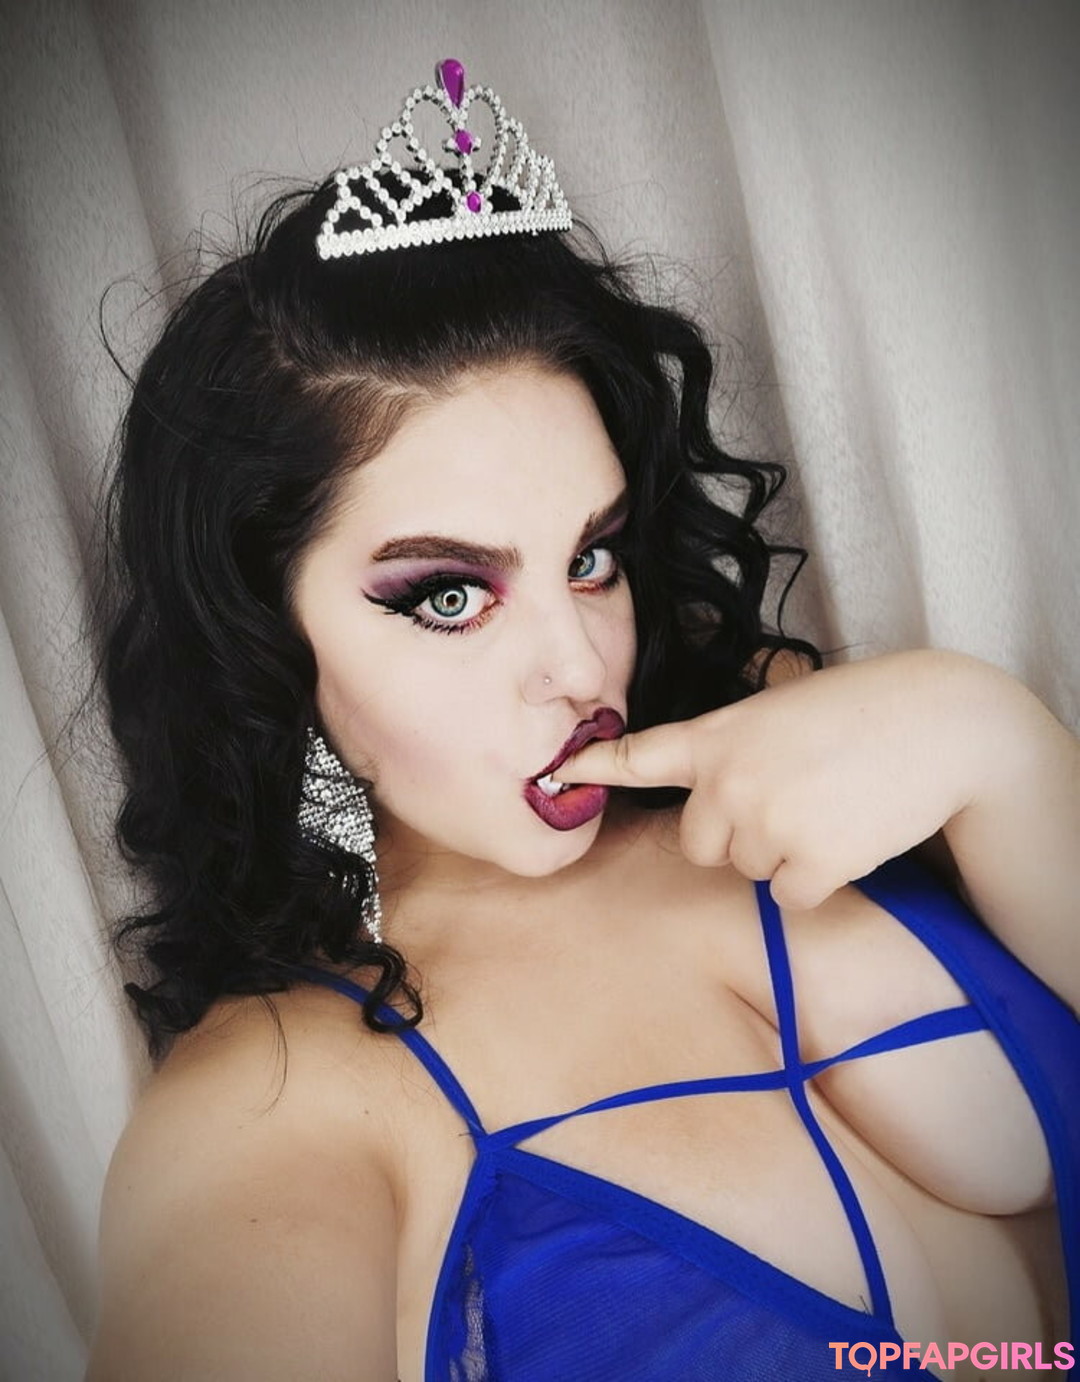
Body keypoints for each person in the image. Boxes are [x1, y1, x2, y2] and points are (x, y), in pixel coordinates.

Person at [86, 58, 1078, 1382]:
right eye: (450, 595)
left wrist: (996, 744)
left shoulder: (805, 750)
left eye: (592, 557)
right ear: (266, 642)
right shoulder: (267, 1106)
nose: (576, 664)